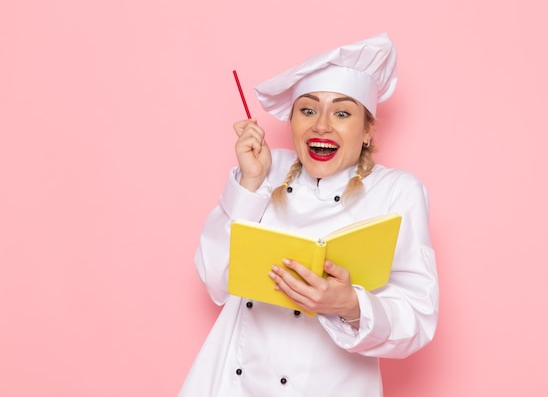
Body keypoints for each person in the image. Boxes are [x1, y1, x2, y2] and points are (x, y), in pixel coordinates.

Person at [178, 33, 439, 397]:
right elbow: (215, 280)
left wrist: (349, 305)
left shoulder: (396, 191)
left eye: (343, 113)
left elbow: (418, 318)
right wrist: (250, 184)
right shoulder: (267, 169)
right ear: (293, 122)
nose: (321, 125)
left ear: (366, 131)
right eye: (308, 109)